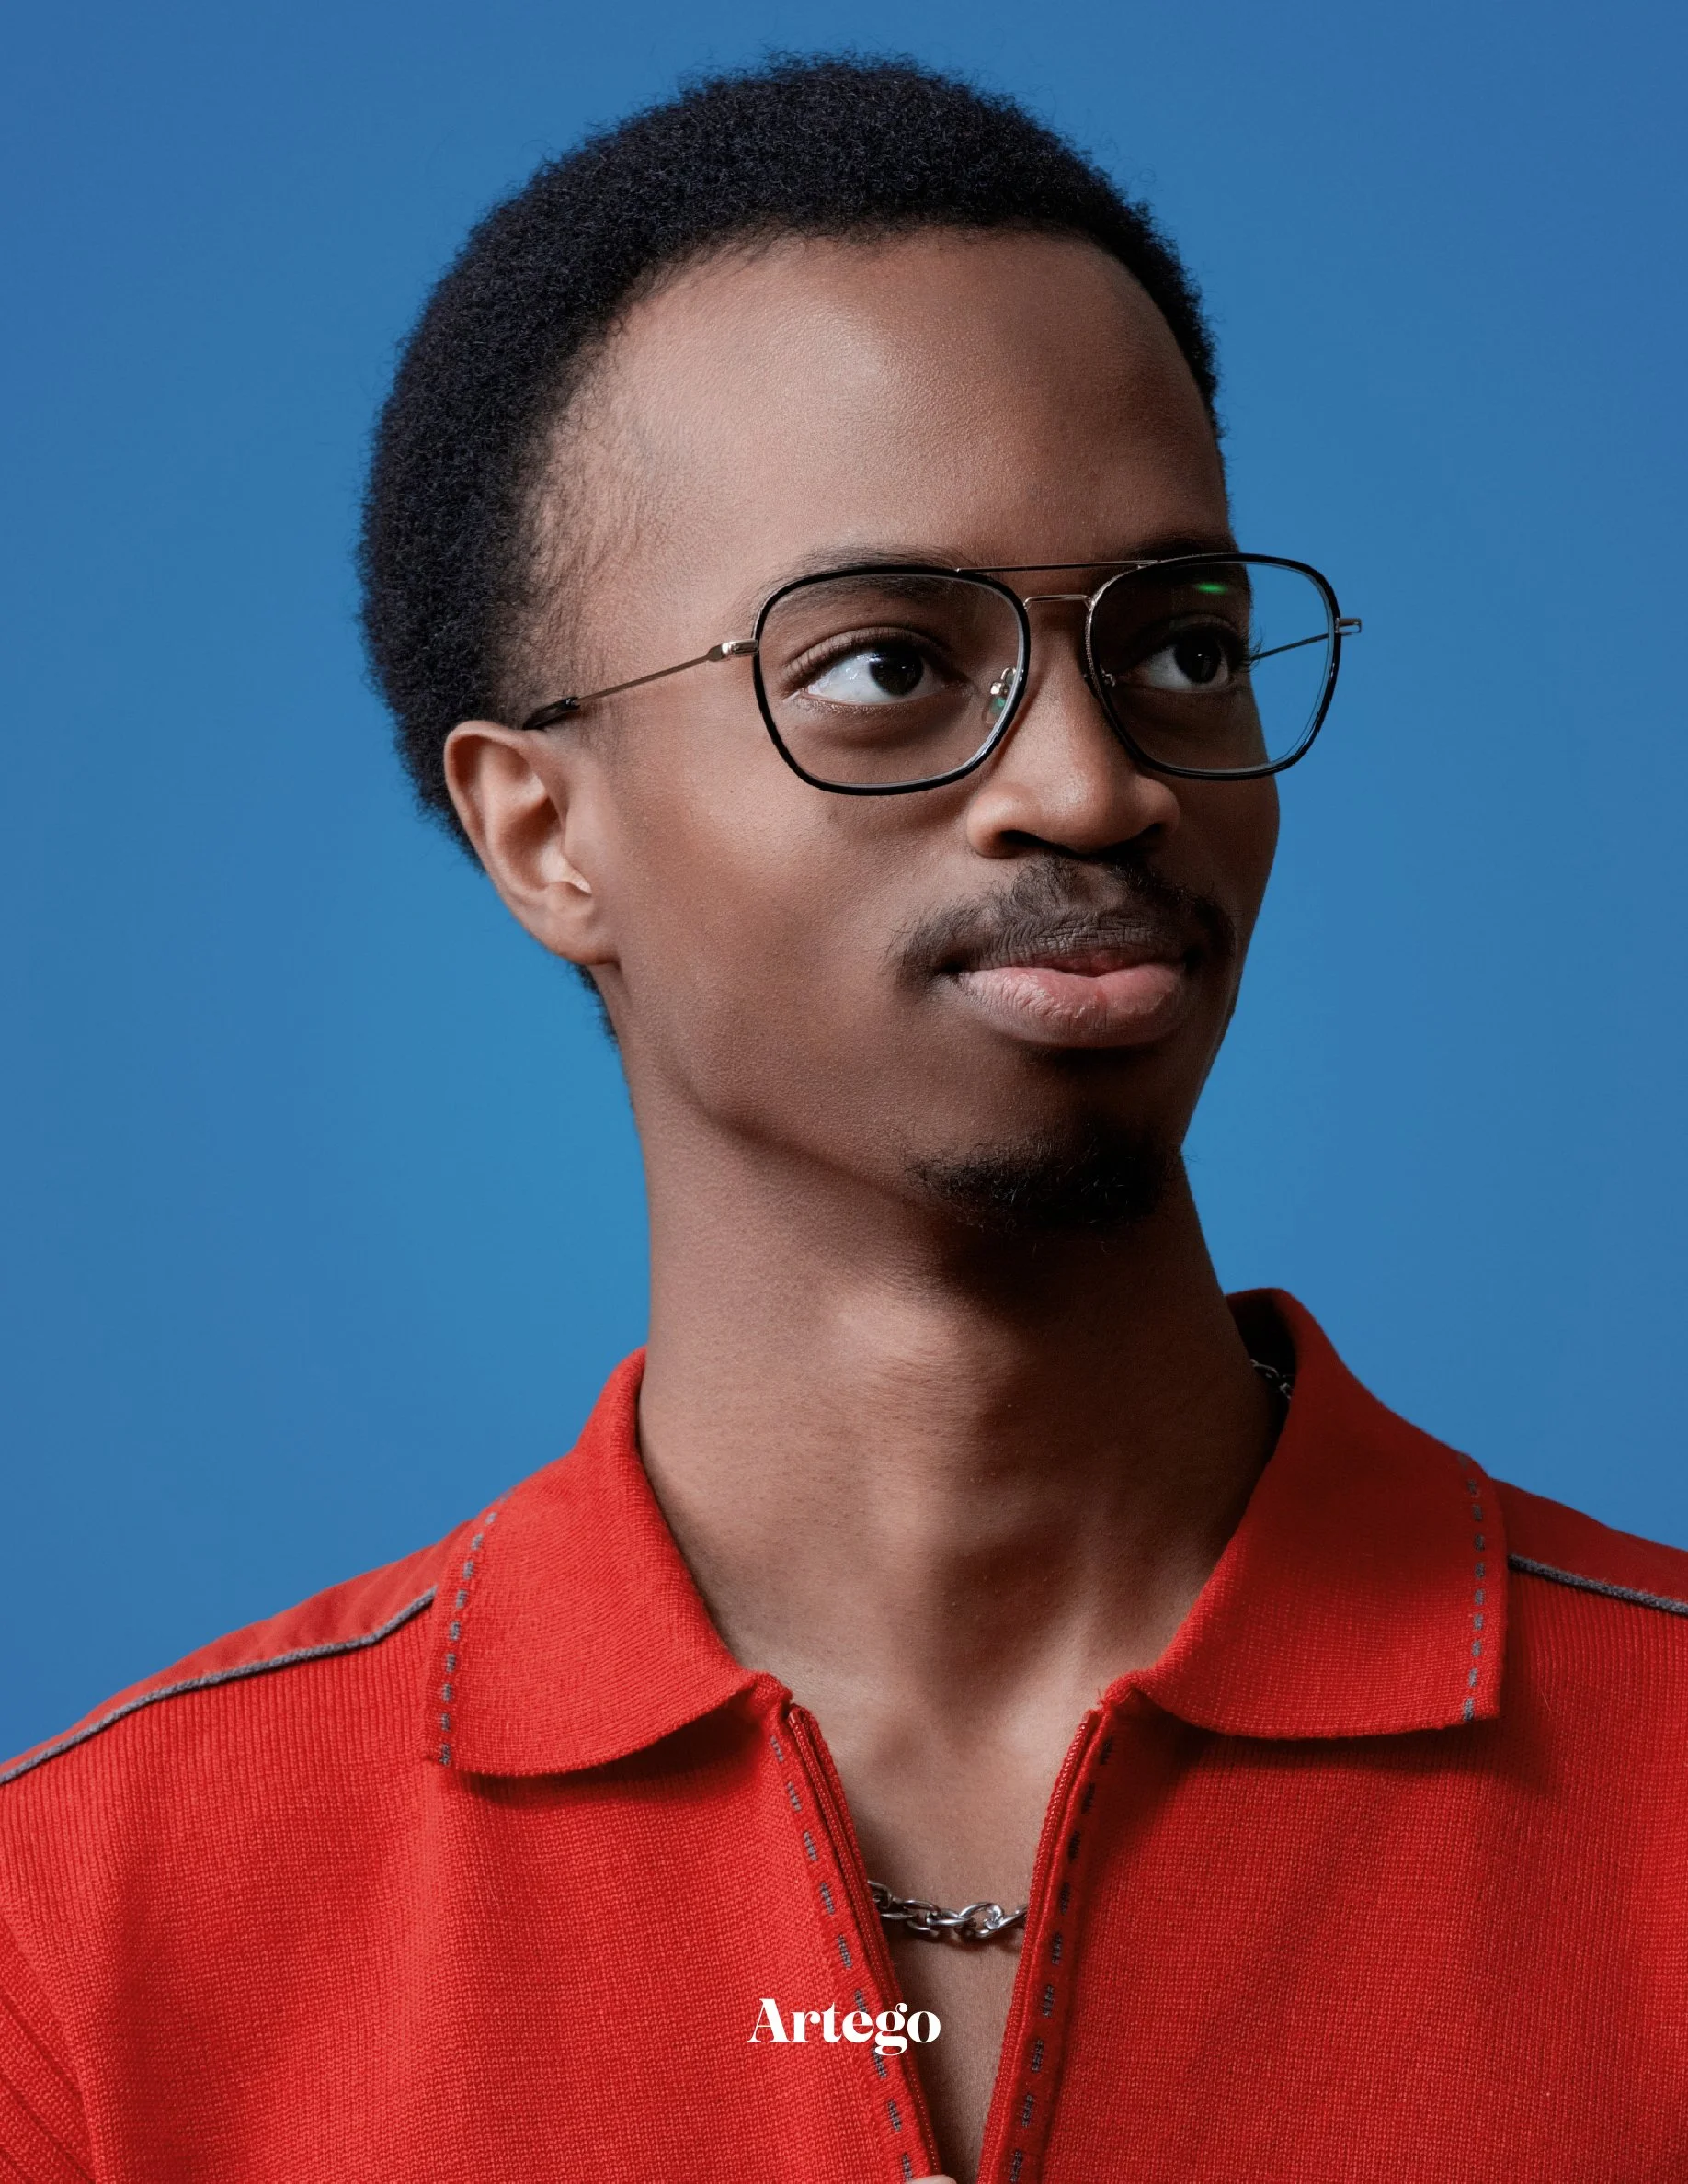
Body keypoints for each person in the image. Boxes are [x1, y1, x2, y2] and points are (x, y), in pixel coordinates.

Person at [3, 55, 1684, 2184]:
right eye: (888, 667)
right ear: (541, 835)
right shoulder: (88, 1935)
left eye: (1181, 645)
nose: (1093, 785)